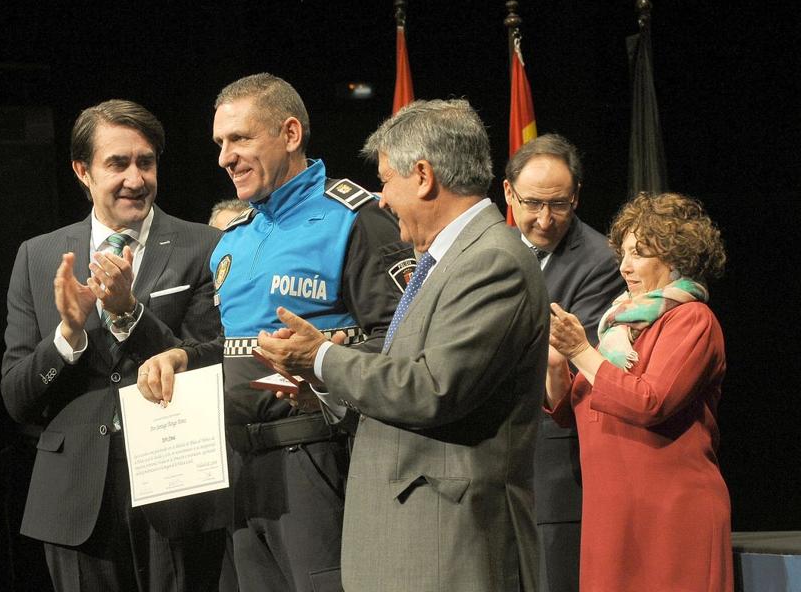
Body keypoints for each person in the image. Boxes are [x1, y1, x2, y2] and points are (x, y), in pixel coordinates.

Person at [137, 73, 413, 592]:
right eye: (220, 143)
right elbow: (234, 347)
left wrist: (322, 370)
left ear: (290, 134)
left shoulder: (356, 219)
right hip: (242, 470)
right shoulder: (232, 242)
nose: (225, 157)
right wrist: (182, 360)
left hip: (323, 458)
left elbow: (398, 340)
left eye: (240, 138)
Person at [257, 99, 547, 591]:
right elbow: (403, 378)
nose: (383, 200)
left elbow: (432, 388)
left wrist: (321, 357)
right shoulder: (446, 261)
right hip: (413, 541)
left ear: (423, 176)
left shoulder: (492, 261)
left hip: (449, 542)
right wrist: (322, 388)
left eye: (387, 181)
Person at [1, 99, 225, 592]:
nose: (136, 178)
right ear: (83, 171)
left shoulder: (203, 246)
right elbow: (16, 397)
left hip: (177, 483)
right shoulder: (37, 257)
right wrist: (68, 335)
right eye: (117, 163)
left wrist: (129, 312)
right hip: (76, 495)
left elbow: (213, 358)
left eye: (146, 162)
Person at [546, 192, 731, 592]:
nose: (625, 267)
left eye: (640, 254)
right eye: (624, 253)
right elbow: (573, 409)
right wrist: (558, 362)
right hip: (612, 517)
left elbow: (649, 401)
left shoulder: (692, 320)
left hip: (671, 518)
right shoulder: (617, 328)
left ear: (676, 258)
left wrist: (581, 351)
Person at [503, 134, 625, 592]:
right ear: (508, 193)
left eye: (558, 204)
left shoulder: (600, 260)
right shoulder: (490, 249)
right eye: (532, 203)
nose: (544, 219)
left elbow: (578, 364)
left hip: (553, 457)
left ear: (575, 197)